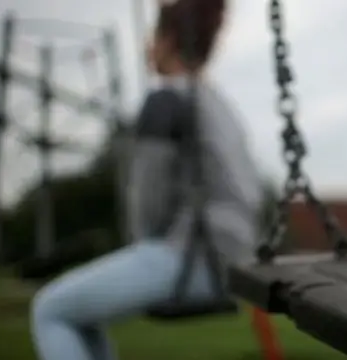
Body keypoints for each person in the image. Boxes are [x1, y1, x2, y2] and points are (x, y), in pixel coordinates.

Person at [30, 1, 262, 359]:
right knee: (84, 317)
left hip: (190, 259)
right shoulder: (219, 104)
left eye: (151, 37)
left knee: (50, 310)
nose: (146, 47)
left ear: (168, 40)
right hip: (235, 262)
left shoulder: (165, 100)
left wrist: (141, 246)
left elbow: (147, 203)